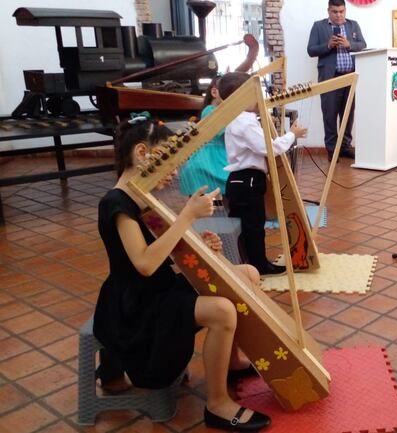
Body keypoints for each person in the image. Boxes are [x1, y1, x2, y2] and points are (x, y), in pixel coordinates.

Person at [94, 118, 270, 432]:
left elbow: (164, 250)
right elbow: (145, 263)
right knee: (222, 310)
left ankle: (231, 362)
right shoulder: (117, 204)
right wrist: (188, 216)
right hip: (138, 306)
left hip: (157, 289)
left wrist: (200, 245)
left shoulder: (141, 199)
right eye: (169, 161)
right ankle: (217, 404)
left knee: (247, 274)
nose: (174, 172)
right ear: (141, 153)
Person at [219, 72, 308, 276]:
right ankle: (259, 266)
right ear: (239, 97)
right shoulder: (244, 122)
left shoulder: (241, 120)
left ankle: (246, 264)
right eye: (254, 94)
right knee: (253, 227)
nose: (259, 98)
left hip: (243, 181)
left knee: (246, 226)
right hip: (247, 181)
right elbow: (270, 148)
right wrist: (292, 135)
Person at [179, 35, 261, 196]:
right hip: (212, 156)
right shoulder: (209, 110)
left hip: (224, 151)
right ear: (215, 92)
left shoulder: (230, 111)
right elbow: (223, 130)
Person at [307, 0, 366, 162]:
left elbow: (363, 44)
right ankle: (332, 150)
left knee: (348, 114)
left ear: (345, 10)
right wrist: (327, 45)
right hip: (330, 79)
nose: (338, 15)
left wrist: (349, 45)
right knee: (330, 115)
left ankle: (345, 146)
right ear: (328, 11)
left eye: (341, 11)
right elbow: (311, 50)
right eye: (335, 11)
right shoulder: (318, 26)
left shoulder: (353, 25)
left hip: (350, 78)